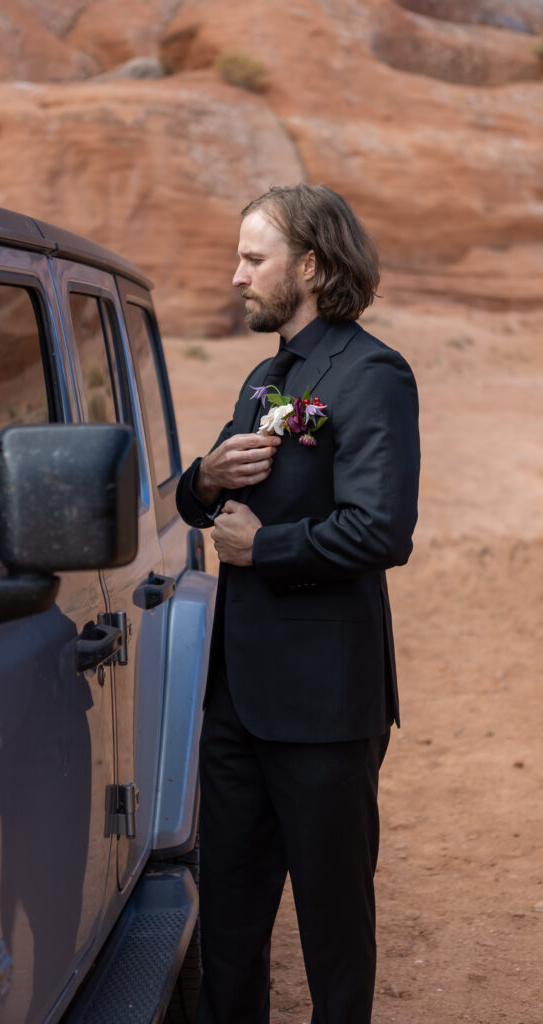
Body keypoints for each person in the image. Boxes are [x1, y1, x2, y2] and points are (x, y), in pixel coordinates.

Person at [176, 184, 421, 1024]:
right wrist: (200, 480)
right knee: (230, 929)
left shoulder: (371, 373)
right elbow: (214, 492)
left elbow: (380, 531)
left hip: (322, 706)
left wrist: (262, 548)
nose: (235, 275)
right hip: (235, 702)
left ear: (309, 266)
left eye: (252, 258)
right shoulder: (262, 374)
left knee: (332, 934)